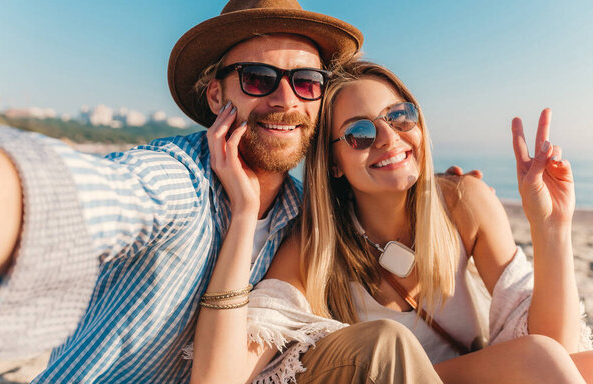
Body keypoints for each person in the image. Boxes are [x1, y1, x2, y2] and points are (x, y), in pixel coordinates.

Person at [0, 0, 468, 383]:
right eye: (259, 78)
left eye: (306, 81)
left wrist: (433, 191)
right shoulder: (178, 179)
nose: (286, 99)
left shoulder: (301, 217)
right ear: (217, 93)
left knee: (378, 347)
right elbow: (91, 193)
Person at [191, 59, 593, 383]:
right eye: (360, 133)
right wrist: (245, 213)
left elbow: (558, 349)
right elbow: (219, 377)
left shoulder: (462, 201)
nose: (388, 137)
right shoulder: (315, 247)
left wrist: (551, 226)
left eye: (400, 116)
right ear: (332, 163)